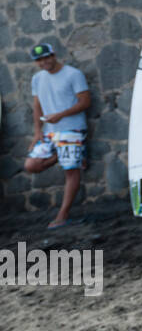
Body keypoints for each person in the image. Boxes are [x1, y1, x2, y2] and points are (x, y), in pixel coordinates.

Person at [24, 43, 90, 229]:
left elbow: (85, 102)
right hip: (49, 132)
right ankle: (77, 155)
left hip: (72, 129)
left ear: (54, 55)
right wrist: (37, 132)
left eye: (46, 57)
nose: (43, 62)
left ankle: (62, 215)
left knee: (70, 171)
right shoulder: (37, 78)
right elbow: (37, 106)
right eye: (39, 60)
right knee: (31, 165)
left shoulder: (73, 74)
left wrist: (61, 114)